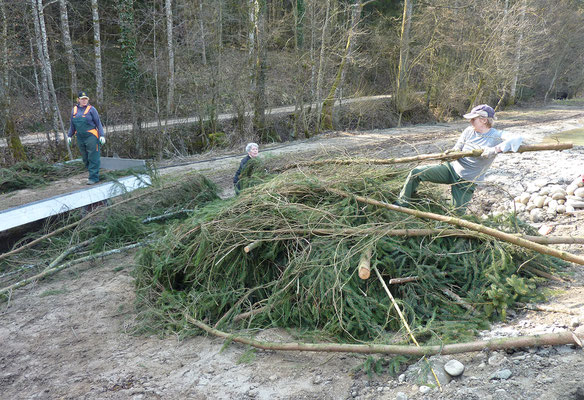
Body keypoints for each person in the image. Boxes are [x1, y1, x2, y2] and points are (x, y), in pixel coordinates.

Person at [394, 104, 522, 213]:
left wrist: (495, 149)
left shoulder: (496, 136)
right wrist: (451, 153)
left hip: (466, 182)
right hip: (451, 169)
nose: (470, 122)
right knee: (416, 173)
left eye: (473, 119)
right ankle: (402, 203)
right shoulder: (469, 131)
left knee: (456, 215)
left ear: (484, 120)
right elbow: (458, 147)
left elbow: (517, 138)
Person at [67, 91, 106, 185]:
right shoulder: (74, 110)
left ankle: (93, 177)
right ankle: (94, 173)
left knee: (93, 157)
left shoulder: (92, 109)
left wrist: (102, 135)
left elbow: (98, 123)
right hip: (80, 137)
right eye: (82, 99)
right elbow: (72, 125)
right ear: (78, 100)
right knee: (85, 158)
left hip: (91, 136)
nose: (84, 101)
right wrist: (69, 136)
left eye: (86, 99)